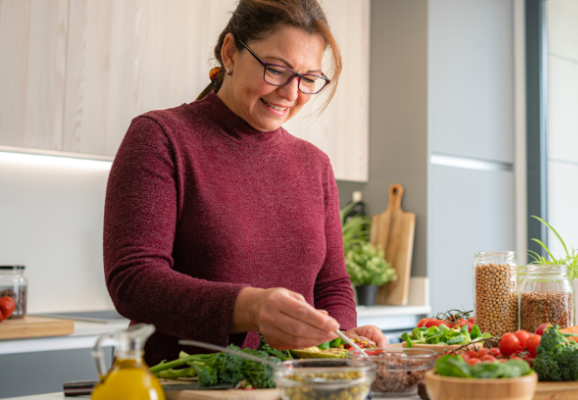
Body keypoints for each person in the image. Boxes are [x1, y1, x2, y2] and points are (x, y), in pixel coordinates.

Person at [103, 0, 386, 366]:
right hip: (182, 387)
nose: (290, 92)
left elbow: (332, 285)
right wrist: (249, 307)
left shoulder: (315, 165)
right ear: (231, 53)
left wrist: (341, 334)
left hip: (290, 386)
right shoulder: (160, 137)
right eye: (276, 69)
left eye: (309, 78)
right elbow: (133, 281)